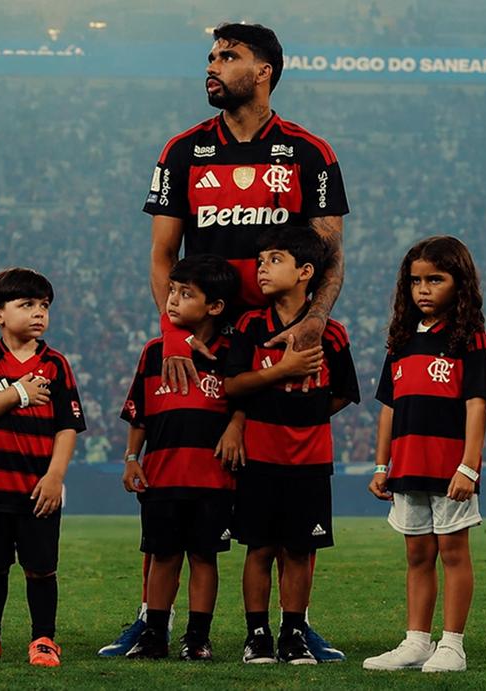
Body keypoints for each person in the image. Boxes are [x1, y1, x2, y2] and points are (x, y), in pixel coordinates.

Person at [104, 20, 351, 662]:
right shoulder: (183, 150)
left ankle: (291, 625)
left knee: (280, 488)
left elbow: (330, 254)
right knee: (178, 484)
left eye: (228, 56)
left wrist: (316, 318)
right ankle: (150, 619)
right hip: (200, 348)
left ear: (264, 70)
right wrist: (176, 337)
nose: (212, 66)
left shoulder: (309, 153)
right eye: (211, 56)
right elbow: (163, 256)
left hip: (273, 346)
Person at [222, 226, 359, 664]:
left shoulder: (331, 333)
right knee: (258, 547)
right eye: (261, 260)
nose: (262, 267)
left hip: (311, 459)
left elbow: (342, 393)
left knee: (299, 549)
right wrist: (283, 372)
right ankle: (257, 635)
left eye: (274, 259)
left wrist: (305, 415)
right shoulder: (249, 325)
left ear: (305, 272)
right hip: (259, 456)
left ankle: (294, 632)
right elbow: (231, 385)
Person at [365, 236, 486, 673]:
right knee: (417, 556)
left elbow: (476, 405)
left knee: (454, 553)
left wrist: (468, 467)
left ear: (459, 284)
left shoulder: (469, 339)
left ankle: (452, 644)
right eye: (416, 280)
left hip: (448, 469)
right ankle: (416, 641)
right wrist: (382, 464)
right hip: (407, 467)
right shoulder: (400, 340)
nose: (423, 289)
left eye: (435, 279)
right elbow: (389, 407)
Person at [116, 255, 244, 661]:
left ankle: (197, 637)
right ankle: (155, 634)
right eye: (172, 290)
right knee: (162, 555)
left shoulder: (232, 354)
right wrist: (132, 456)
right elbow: (138, 410)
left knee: (204, 556)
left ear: (215, 306)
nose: (172, 300)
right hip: (162, 474)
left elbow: (245, 403)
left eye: (185, 294)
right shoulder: (155, 351)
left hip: (214, 478)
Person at [0, 268, 87, 667]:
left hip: (39, 489)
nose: (39, 313)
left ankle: (44, 640)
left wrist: (55, 477)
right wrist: (18, 393)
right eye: (27, 304)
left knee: (41, 568)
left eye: (44, 306)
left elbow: (68, 426)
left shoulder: (57, 365)